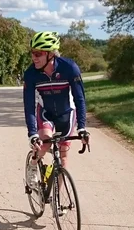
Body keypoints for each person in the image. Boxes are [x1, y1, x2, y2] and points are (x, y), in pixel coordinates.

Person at [22, 31, 90, 192]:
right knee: (44, 142)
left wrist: (82, 128)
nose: (34, 57)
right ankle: (32, 165)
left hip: (67, 113)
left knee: (63, 157)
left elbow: (80, 99)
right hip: (45, 112)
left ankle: (56, 198)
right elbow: (29, 106)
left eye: (38, 53)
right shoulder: (31, 74)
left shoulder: (69, 68)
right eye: (32, 53)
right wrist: (32, 134)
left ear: (51, 54)